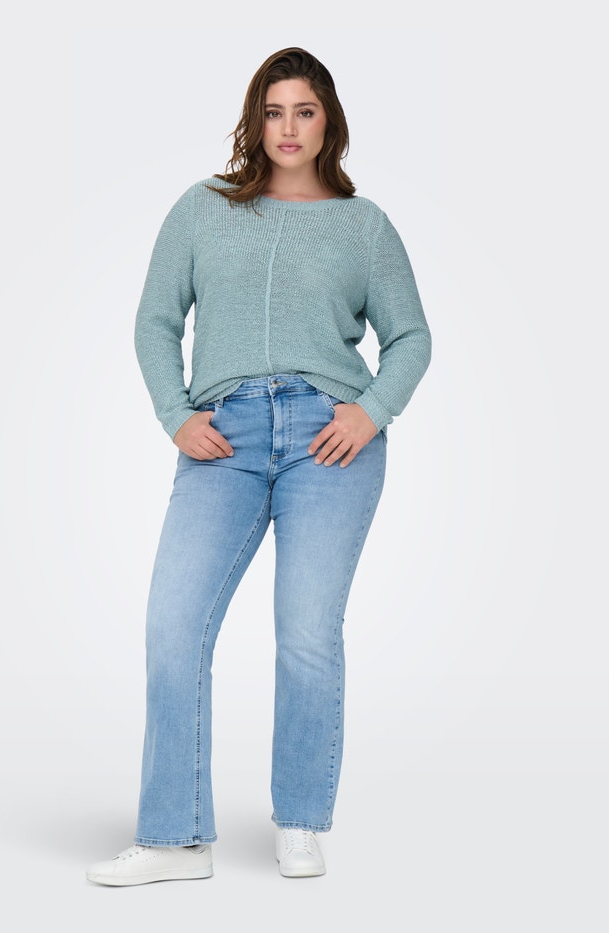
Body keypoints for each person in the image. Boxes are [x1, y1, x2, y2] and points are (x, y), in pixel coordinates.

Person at [86, 46, 431, 886]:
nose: (288, 128)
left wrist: (371, 410)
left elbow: (411, 337)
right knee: (173, 624)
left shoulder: (364, 225)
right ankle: (176, 838)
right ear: (255, 120)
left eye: (304, 111)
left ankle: (301, 821)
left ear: (328, 121)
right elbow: (155, 320)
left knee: (306, 630)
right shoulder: (202, 208)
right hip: (225, 436)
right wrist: (176, 415)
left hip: (329, 438)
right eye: (274, 112)